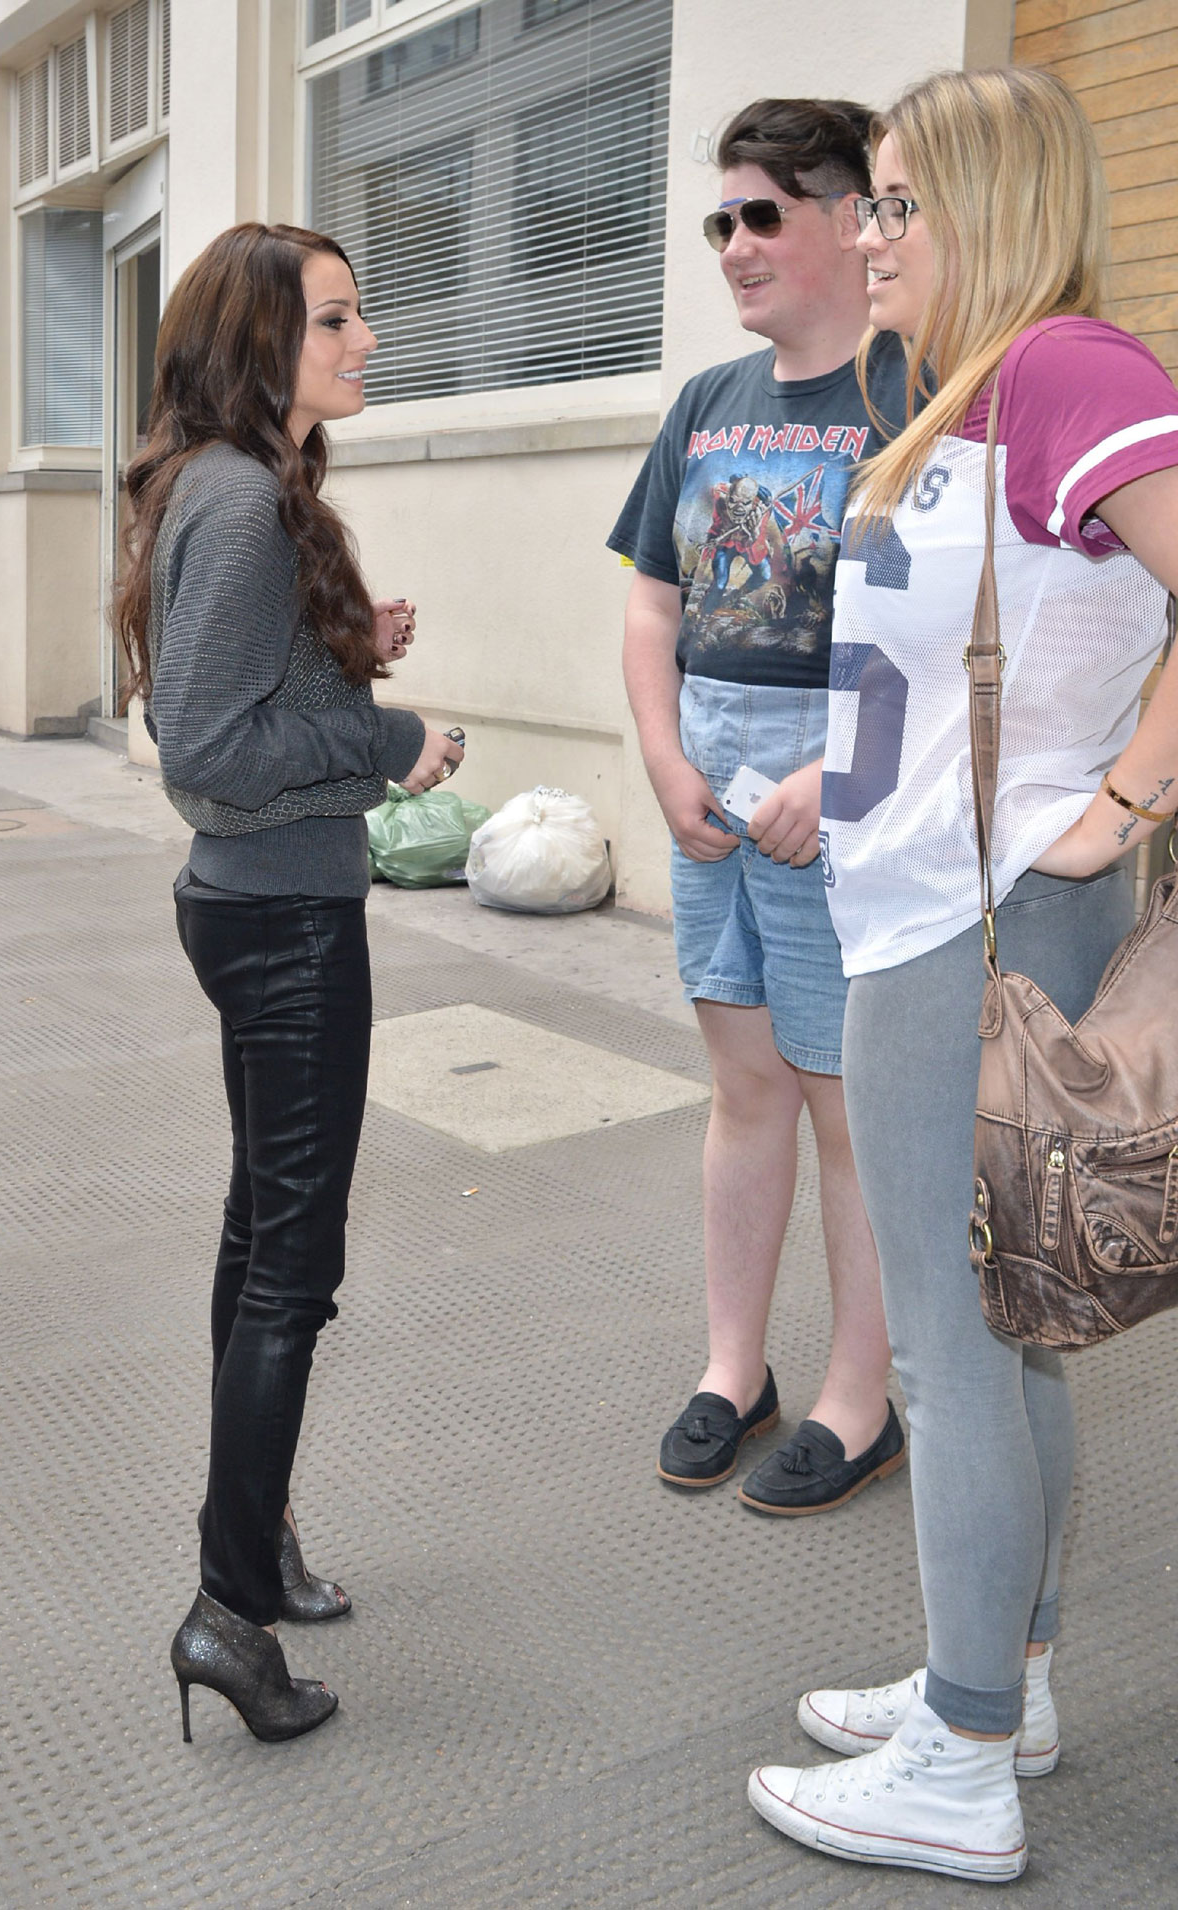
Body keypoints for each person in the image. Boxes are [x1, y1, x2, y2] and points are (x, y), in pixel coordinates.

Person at [746, 68, 1178, 1881]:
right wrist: (822, 791)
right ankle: (1001, 1677)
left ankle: (961, 1755)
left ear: (986, 206)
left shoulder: (1076, 372)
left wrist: (1121, 804)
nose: (868, 231)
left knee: (954, 1353)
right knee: (1007, 1342)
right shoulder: (971, 397)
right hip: (922, 907)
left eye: (901, 203)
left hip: (979, 931)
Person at [115, 223, 463, 1742]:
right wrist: (387, 743)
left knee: (261, 1232)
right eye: (338, 319)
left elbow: (242, 693)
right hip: (285, 923)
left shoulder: (236, 487)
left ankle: (247, 1554)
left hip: (257, 911)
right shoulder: (248, 499)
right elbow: (203, 753)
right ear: (268, 345)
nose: (368, 338)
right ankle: (226, 1609)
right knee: (291, 1267)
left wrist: (341, 659)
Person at [609, 100, 904, 1514]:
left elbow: (946, 640)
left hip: (836, 791)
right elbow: (652, 604)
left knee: (848, 1107)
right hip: (713, 788)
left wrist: (834, 776)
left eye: (762, 215)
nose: (733, 244)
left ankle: (861, 1394)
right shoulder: (705, 407)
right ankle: (739, 1368)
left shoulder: (911, 397)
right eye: (720, 219)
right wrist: (666, 760)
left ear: (854, 217)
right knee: (744, 1089)